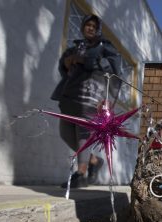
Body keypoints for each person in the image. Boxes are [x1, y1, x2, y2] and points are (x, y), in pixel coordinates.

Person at [51, 14, 121, 188]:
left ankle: (81, 173)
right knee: (65, 132)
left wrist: (108, 97)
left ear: (98, 29)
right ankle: (94, 161)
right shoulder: (76, 47)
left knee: (83, 132)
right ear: (83, 27)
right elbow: (64, 68)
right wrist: (67, 62)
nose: (90, 28)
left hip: (92, 93)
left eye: (93, 25)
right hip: (71, 94)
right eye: (87, 25)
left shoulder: (105, 47)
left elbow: (114, 70)